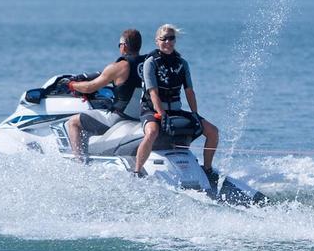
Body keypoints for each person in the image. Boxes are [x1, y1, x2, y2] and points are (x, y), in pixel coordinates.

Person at [133, 24, 219, 183]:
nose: (168, 41)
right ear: (157, 41)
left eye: (171, 38)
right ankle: (137, 171)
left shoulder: (182, 63)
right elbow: (153, 93)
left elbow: (189, 92)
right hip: (151, 110)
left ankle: (207, 169)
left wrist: (195, 114)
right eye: (163, 38)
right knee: (152, 132)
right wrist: (162, 114)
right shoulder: (150, 62)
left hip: (174, 110)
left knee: (213, 132)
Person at [65, 29, 147, 159]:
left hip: (120, 117)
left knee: (73, 122)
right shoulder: (148, 63)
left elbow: (89, 87)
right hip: (141, 115)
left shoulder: (120, 66)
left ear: (124, 45)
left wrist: (71, 85)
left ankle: (79, 162)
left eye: (119, 45)